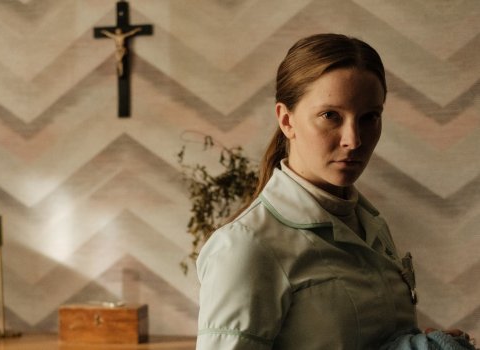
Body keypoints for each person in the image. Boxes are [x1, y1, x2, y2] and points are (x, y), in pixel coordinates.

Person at [196, 34, 476, 350]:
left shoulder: (371, 225)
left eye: (370, 117)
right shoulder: (245, 247)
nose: (354, 140)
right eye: (331, 116)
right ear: (287, 120)